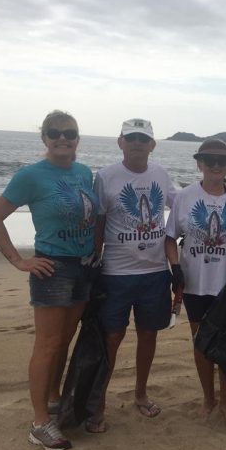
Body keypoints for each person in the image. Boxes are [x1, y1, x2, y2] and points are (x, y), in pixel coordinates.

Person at [0, 110, 98, 450]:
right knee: (47, 345)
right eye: (54, 132)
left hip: (84, 266)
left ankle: (52, 399)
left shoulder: (83, 172)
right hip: (53, 267)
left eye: (69, 132)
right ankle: (38, 423)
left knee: (64, 340)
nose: (62, 138)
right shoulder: (31, 175)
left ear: (78, 138)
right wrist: (19, 261)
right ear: (44, 138)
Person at [92, 118, 177, 432]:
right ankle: (98, 400)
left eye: (143, 139)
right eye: (132, 138)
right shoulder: (105, 177)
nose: (138, 144)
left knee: (148, 335)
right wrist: (93, 262)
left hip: (155, 273)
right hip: (116, 273)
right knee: (111, 338)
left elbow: (180, 203)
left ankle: (141, 393)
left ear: (152, 144)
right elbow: (98, 223)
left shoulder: (161, 174)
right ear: (120, 142)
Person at [164, 139, 226, 424]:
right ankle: (208, 397)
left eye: (222, 161)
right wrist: (175, 267)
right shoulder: (185, 197)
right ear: (199, 163)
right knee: (201, 342)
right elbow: (170, 238)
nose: (216, 166)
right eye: (210, 160)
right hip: (195, 282)